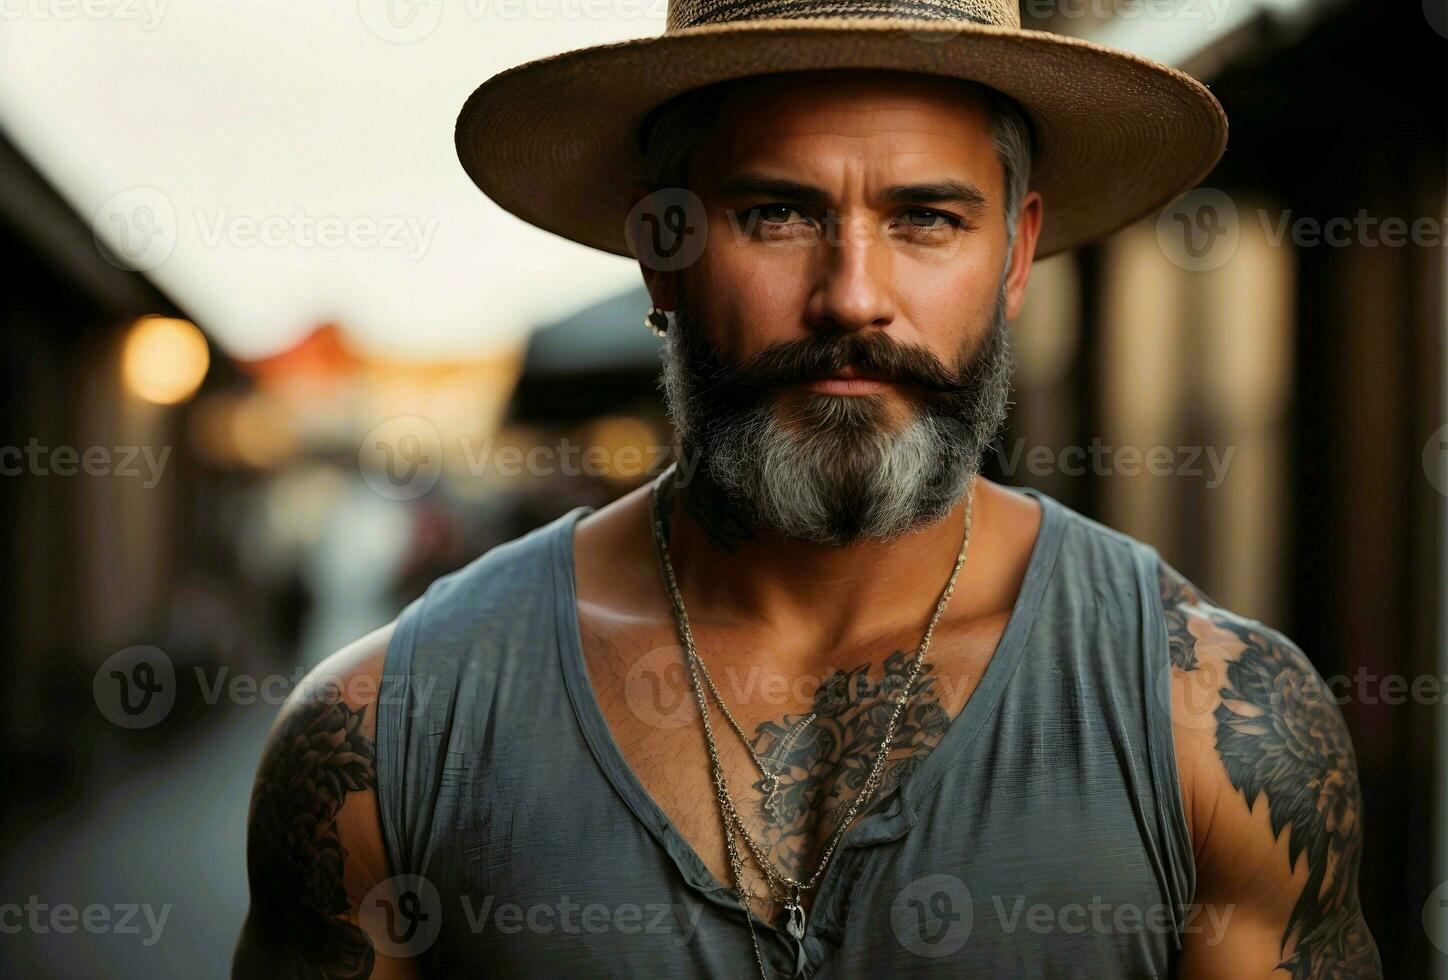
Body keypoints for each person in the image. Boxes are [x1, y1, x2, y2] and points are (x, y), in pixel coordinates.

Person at [232, 0, 1381, 976]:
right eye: (775, 213)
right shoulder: (386, 734)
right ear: (661, 249)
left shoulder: (1214, 728)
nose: (849, 295)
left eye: (925, 218)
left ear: (1017, 255)